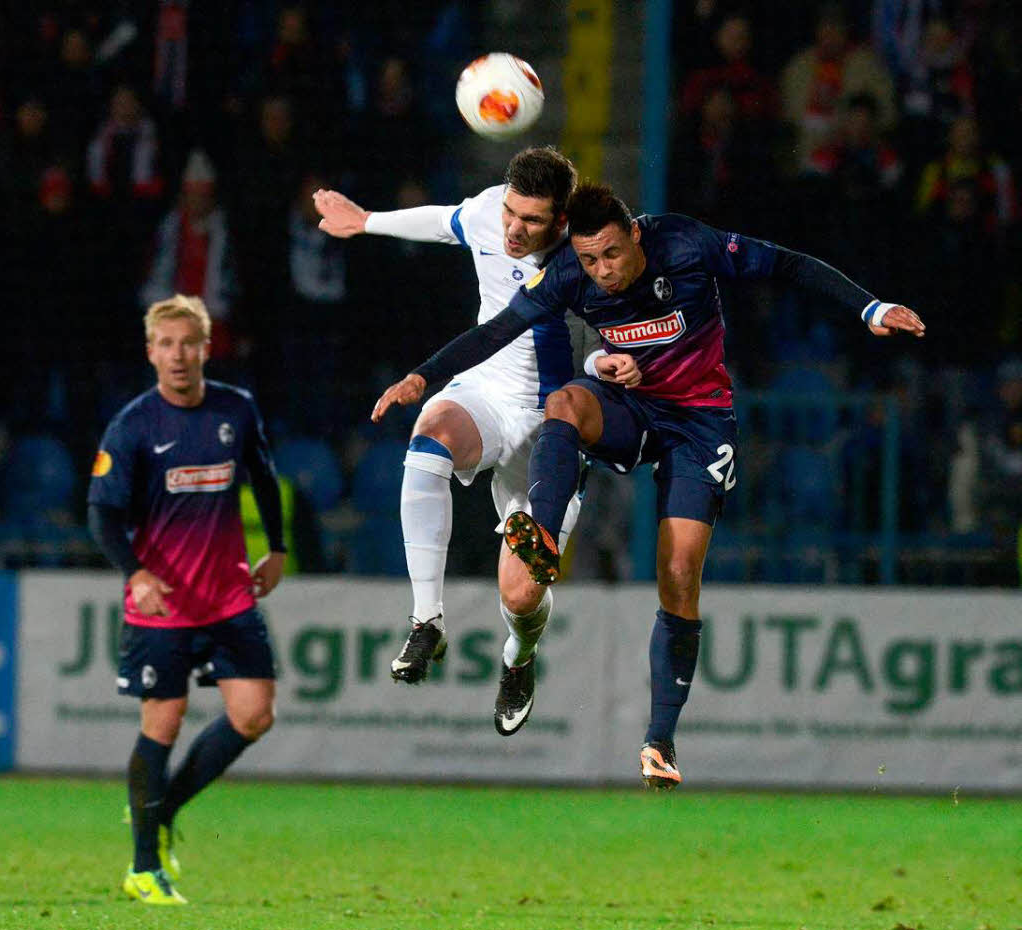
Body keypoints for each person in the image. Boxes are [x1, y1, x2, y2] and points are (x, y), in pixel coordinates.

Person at [372, 182, 925, 789]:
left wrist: (868, 308)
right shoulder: (565, 275)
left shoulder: (686, 243)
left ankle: (659, 741)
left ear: (634, 233)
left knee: (680, 574)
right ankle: (542, 537)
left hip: (698, 421)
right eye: (589, 260)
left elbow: (787, 263)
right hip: (630, 407)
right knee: (565, 403)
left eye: (611, 254)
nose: (602, 272)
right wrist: (422, 378)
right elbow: (498, 331)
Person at [314, 147, 591, 736]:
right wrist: (366, 222)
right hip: (486, 389)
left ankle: (518, 659)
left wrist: (622, 365)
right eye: (512, 214)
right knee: (429, 438)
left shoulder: (592, 255)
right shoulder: (492, 211)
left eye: (532, 221)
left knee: (520, 598)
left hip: (556, 422)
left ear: (562, 222)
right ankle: (426, 620)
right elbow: (444, 222)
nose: (514, 229)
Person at [87, 295, 287, 904]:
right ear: (151, 353)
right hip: (164, 602)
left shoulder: (235, 409)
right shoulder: (133, 425)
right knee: (164, 723)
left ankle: (160, 810)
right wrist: (136, 573)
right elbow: (100, 514)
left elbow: (263, 474)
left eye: (188, 343)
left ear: (207, 348)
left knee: (254, 714)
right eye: (166, 345)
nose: (178, 355)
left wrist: (276, 548)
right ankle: (144, 866)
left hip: (227, 594)